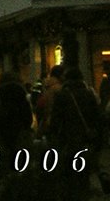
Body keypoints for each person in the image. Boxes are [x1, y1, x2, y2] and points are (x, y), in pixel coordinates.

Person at [49, 66, 103, 201]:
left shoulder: (63, 95)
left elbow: (56, 121)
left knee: (70, 176)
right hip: (86, 141)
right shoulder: (89, 94)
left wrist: (54, 139)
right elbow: (97, 119)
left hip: (68, 141)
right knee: (84, 176)